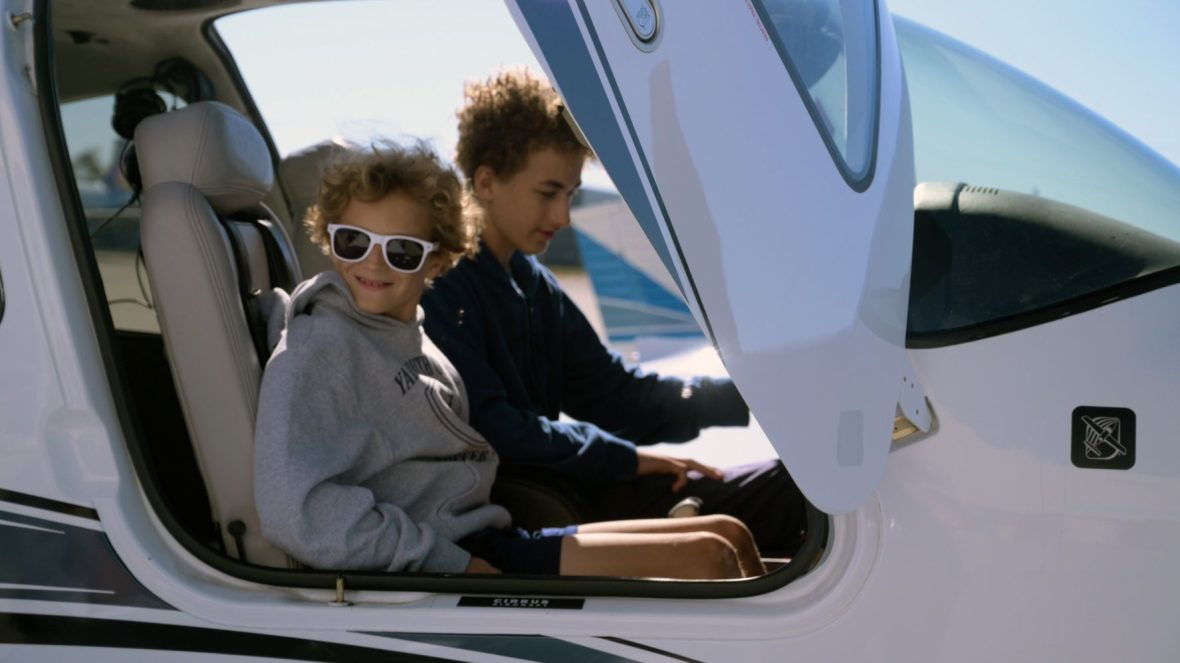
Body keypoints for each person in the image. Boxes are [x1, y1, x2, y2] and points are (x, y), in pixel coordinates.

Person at [254, 142, 765, 578]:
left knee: (728, 532)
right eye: (353, 241)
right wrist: (444, 561)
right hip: (447, 560)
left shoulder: (415, 339)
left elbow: (610, 393)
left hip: (487, 532)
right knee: (710, 556)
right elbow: (295, 510)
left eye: (401, 251)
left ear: (437, 260)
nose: (371, 262)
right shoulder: (317, 348)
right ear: (329, 239)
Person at [421, 69, 808, 557]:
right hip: (535, 519)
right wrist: (622, 459)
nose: (563, 217)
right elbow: (492, 429)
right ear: (487, 181)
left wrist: (751, 394)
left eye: (570, 196)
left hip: (581, 489)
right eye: (548, 193)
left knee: (792, 482)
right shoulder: (439, 285)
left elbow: (619, 397)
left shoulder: (536, 286)